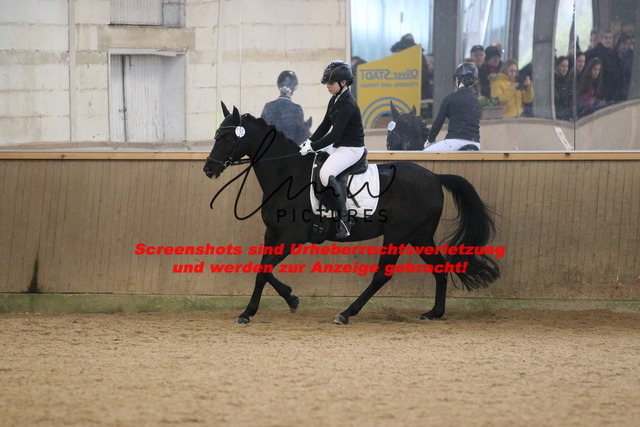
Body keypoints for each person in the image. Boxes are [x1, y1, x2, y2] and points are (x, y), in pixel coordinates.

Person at [299, 61, 365, 238]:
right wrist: (308, 142)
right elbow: (324, 125)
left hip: (351, 148)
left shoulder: (348, 103)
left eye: (331, 83)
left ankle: (345, 219)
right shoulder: (335, 99)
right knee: (313, 161)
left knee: (325, 173)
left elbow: (334, 134)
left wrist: (313, 146)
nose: (328, 86)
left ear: (343, 82)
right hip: (339, 145)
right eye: (327, 83)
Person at [424, 63, 481, 151]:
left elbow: (438, 123)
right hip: (475, 144)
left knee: (423, 154)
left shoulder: (450, 98)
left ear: (457, 79)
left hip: (454, 142)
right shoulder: (476, 101)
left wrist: (430, 141)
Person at [260, 70, 309, 145]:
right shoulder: (297, 109)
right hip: (289, 150)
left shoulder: (268, 106)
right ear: (294, 88)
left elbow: (261, 132)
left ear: (278, 86)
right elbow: (300, 137)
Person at [585, 29, 622, 103]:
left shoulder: (614, 53)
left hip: (613, 89)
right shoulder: (593, 53)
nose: (608, 40)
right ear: (601, 39)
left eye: (610, 38)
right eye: (606, 38)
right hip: (599, 89)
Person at [554, 56, 571, 121]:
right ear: (557, 66)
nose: (565, 69)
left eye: (566, 66)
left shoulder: (565, 78)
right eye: (562, 66)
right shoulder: (554, 80)